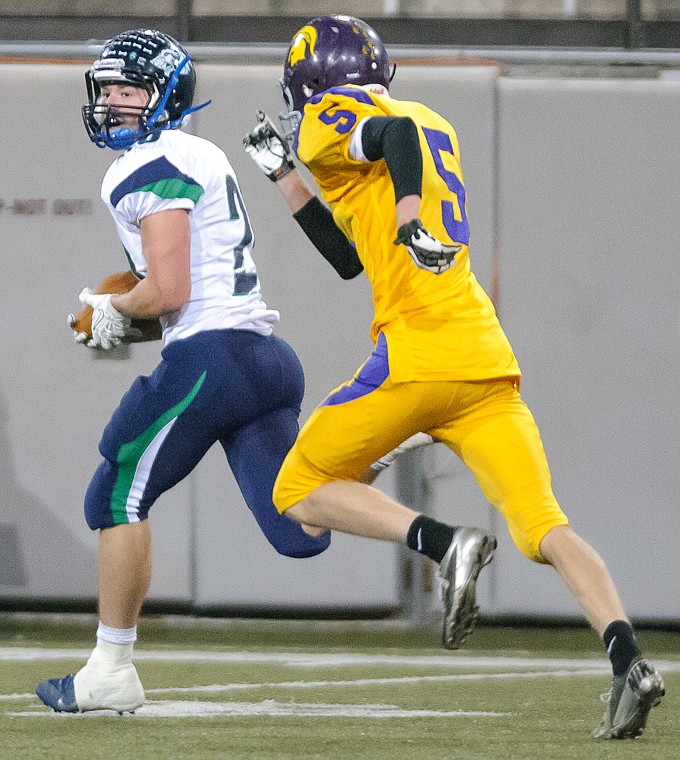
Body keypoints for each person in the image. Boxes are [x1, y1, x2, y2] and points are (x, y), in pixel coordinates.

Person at [35, 28, 489, 716]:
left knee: (116, 494)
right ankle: (394, 477)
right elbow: (178, 291)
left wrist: (111, 309)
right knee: (298, 527)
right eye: (106, 90)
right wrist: (120, 313)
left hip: (211, 360)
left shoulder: (143, 164)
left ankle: (110, 669)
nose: (112, 103)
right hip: (264, 362)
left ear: (165, 96)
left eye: (129, 90)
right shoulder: (203, 153)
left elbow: (168, 294)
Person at [243, 14, 665, 740]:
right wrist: (285, 175)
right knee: (544, 526)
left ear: (313, 81)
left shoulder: (331, 117)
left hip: (413, 355)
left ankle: (442, 542)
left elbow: (391, 146)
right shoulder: (432, 117)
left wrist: (406, 217)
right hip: (483, 357)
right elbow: (351, 257)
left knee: (295, 494)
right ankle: (629, 658)